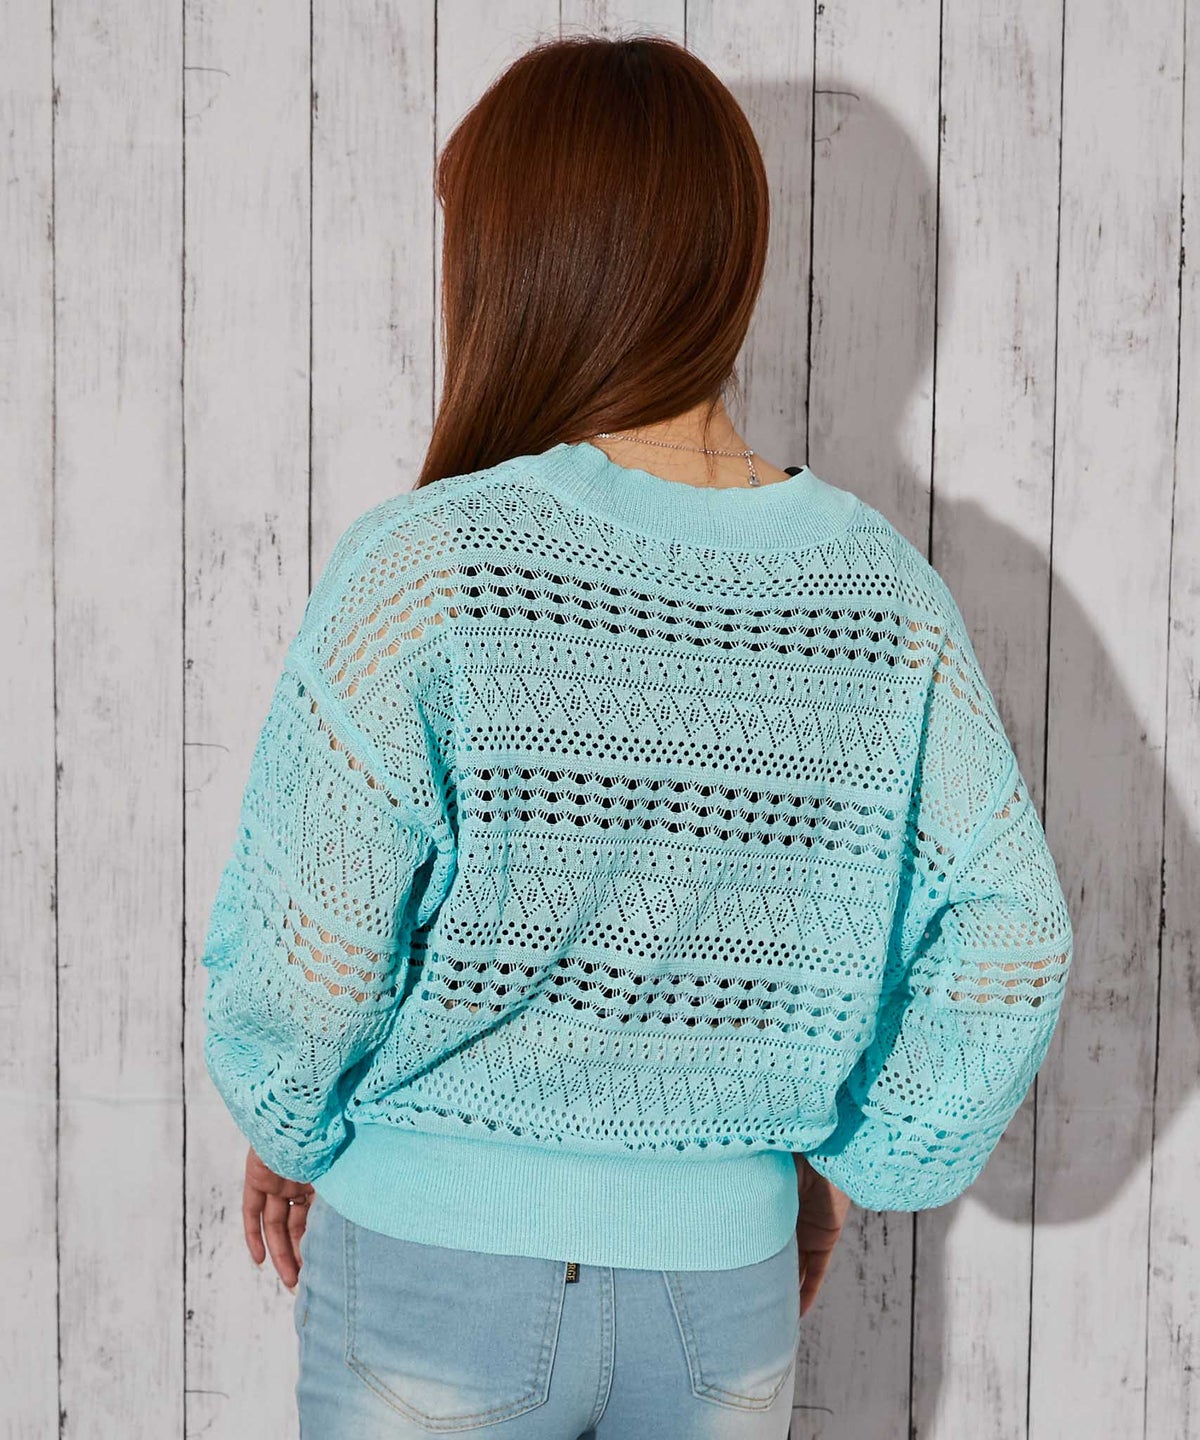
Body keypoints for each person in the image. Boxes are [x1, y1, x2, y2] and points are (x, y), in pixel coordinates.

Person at [199, 32, 1074, 1440]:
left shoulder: (433, 567)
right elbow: (1012, 933)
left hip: (437, 1272)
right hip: (720, 1295)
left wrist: (291, 1126)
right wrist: (840, 1161)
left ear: (518, 265)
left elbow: (311, 973)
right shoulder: (882, 599)